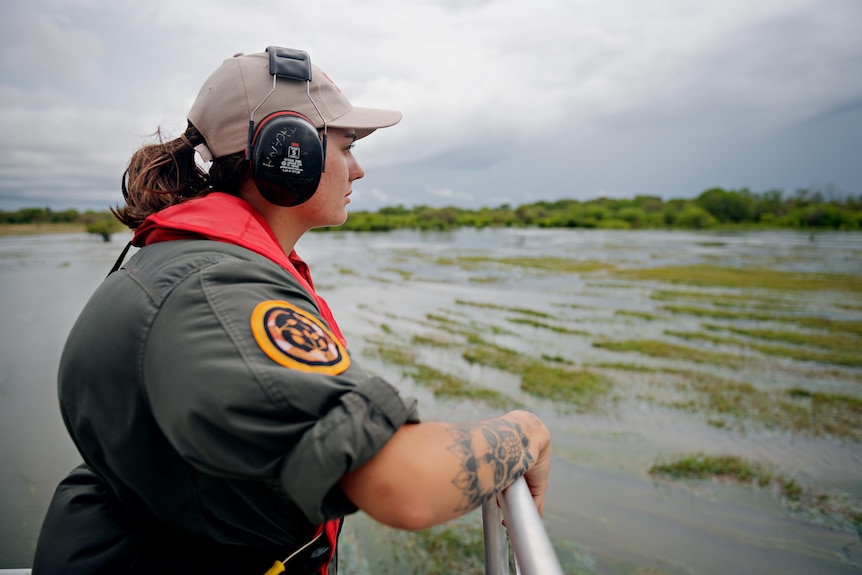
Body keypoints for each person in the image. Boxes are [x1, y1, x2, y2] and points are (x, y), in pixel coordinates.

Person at [32, 46, 551, 575]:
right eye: (346, 145)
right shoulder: (213, 290)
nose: (359, 169)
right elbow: (404, 483)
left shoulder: (196, 264)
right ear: (287, 149)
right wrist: (526, 430)